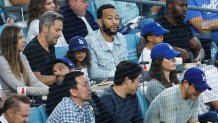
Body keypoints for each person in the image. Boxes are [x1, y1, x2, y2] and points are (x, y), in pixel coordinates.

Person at [145, 67, 211, 123]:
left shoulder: (194, 96)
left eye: (202, 89)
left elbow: (193, 121)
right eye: (197, 89)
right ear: (185, 83)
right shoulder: (169, 97)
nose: (199, 93)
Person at [0, 25, 49, 97]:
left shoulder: (22, 57)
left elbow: (33, 82)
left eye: (23, 37)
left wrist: (49, 90)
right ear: (10, 40)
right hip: (12, 104)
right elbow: (20, 89)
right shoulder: (2, 61)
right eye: (20, 38)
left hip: (25, 101)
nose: (24, 41)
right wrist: (48, 91)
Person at [85, 4, 128, 80]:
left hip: (123, 83)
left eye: (116, 18)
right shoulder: (90, 41)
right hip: (103, 87)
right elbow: (93, 73)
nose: (114, 22)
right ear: (100, 22)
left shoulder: (121, 38)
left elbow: (126, 63)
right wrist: (118, 74)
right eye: (109, 18)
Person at [23, 11, 64, 86]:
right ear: (45, 28)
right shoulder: (33, 49)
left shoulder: (51, 45)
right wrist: (59, 77)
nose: (60, 34)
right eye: (57, 30)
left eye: (61, 30)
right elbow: (36, 80)